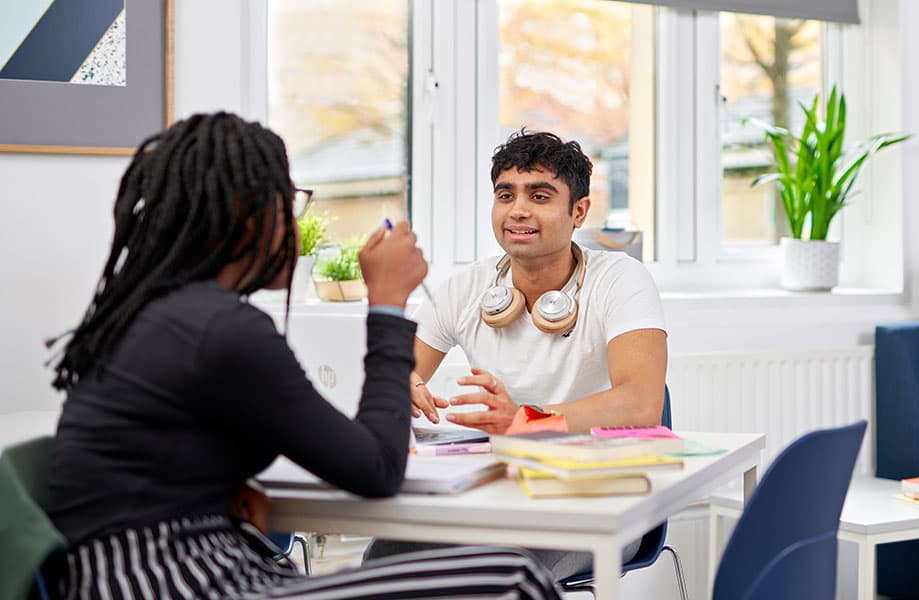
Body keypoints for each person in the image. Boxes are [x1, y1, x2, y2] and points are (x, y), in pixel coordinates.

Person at [43, 112, 561, 600]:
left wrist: (223, 495)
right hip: (173, 582)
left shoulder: (162, 314)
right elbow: (377, 471)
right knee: (515, 579)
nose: (294, 227)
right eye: (287, 205)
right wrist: (386, 304)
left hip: (136, 573)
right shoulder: (223, 329)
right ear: (245, 218)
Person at [367, 130, 668, 578]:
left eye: (540, 195)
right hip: (495, 498)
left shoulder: (622, 279)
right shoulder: (468, 287)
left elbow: (641, 405)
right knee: (382, 558)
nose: (518, 210)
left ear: (578, 211)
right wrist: (401, 385)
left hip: (597, 503)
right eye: (505, 194)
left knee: (494, 576)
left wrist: (522, 421)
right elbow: (402, 374)